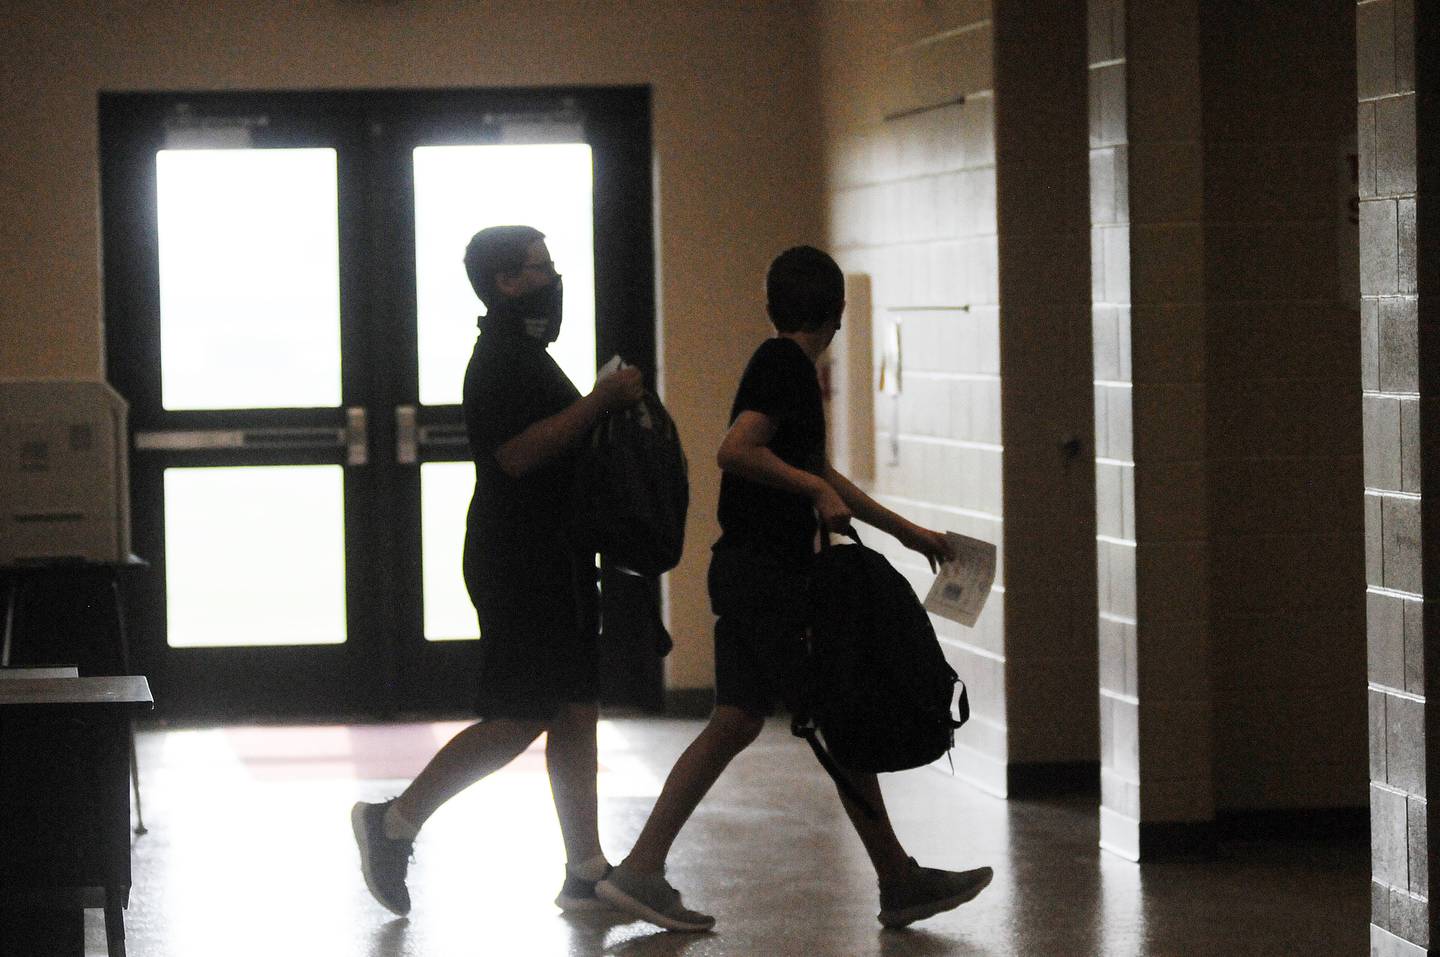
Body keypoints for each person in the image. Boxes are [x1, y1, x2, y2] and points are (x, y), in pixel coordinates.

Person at [595, 246, 992, 932]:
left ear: (772, 304)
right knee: (836, 714)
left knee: (736, 719)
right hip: (768, 576)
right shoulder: (784, 366)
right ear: (836, 310)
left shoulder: (786, 369)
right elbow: (738, 449)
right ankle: (897, 879)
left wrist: (907, 531)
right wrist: (811, 489)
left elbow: (817, 469)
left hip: (749, 572)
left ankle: (640, 869)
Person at [352, 225, 644, 917]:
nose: (554, 277)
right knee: (520, 713)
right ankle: (392, 821)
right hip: (523, 561)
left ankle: (585, 867)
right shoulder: (502, 361)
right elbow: (515, 454)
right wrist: (600, 402)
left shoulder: (527, 355)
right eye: (542, 266)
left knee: (575, 706)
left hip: (553, 557)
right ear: (508, 281)